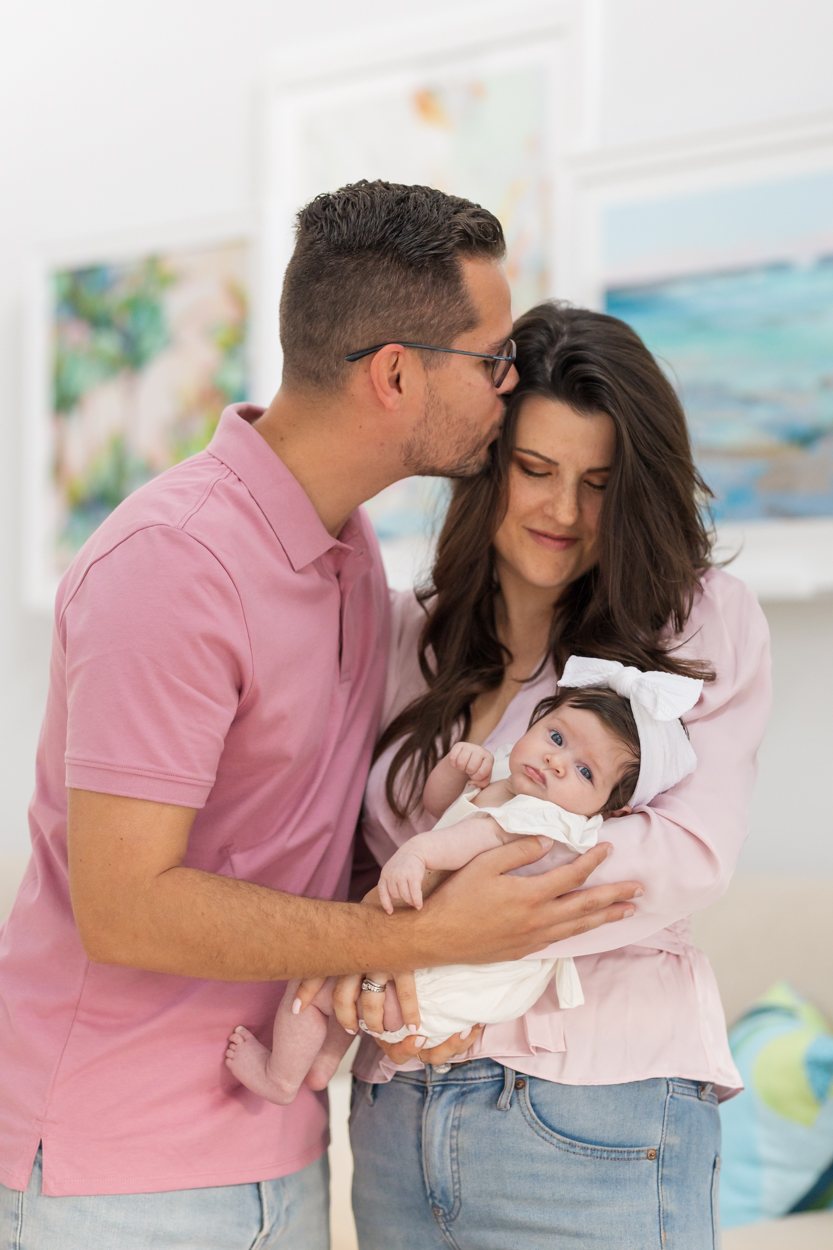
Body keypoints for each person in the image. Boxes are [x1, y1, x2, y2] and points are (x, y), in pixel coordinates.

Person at [0, 185, 641, 1250]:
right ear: (395, 374)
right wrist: (425, 934)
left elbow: (304, 838)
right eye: (491, 359)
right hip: (115, 1173)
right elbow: (124, 906)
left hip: (281, 1148)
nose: (509, 383)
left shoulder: (349, 555)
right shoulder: (172, 566)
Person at [347, 302, 772, 1250]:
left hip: (592, 1112)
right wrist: (355, 958)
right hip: (395, 1107)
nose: (563, 512)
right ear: (486, 460)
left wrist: (448, 920)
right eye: (535, 470)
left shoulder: (698, 621)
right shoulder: (405, 631)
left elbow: (685, 852)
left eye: (598, 484)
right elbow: (359, 863)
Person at [224, 668, 671, 1104]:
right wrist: (457, 770)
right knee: (347, 984)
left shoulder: (544, 819)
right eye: (556, 737)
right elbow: (439, 807)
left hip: (435, 985)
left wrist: (416, 855)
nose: (556, 762)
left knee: (314, 976)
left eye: (585, 772)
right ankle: (322, 1063)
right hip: (436, 976)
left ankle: (279, 1078)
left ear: (609, 810)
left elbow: (466, 837)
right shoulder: (512, 779)